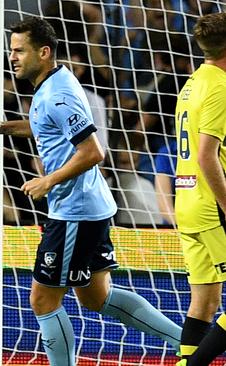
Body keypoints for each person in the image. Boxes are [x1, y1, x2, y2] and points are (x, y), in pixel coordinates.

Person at [0, 17, 181, 365]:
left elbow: (93, 152)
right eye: (11, 51)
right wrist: (4, 128)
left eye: (19, 51)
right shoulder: (52, 83)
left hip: (74, 211)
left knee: (43, 300)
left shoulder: (58, 94)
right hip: (88, 207)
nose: (12, 58)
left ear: (43, 52)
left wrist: (48, 180)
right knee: (95, 297)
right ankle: (189, 342)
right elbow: (45, 125)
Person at [172, 13, 226, 366]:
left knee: (204, 301)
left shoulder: (193, 81)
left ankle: (185, 361)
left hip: (186, 199)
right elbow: (207, 154)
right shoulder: (221, 86)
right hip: (211, 204)